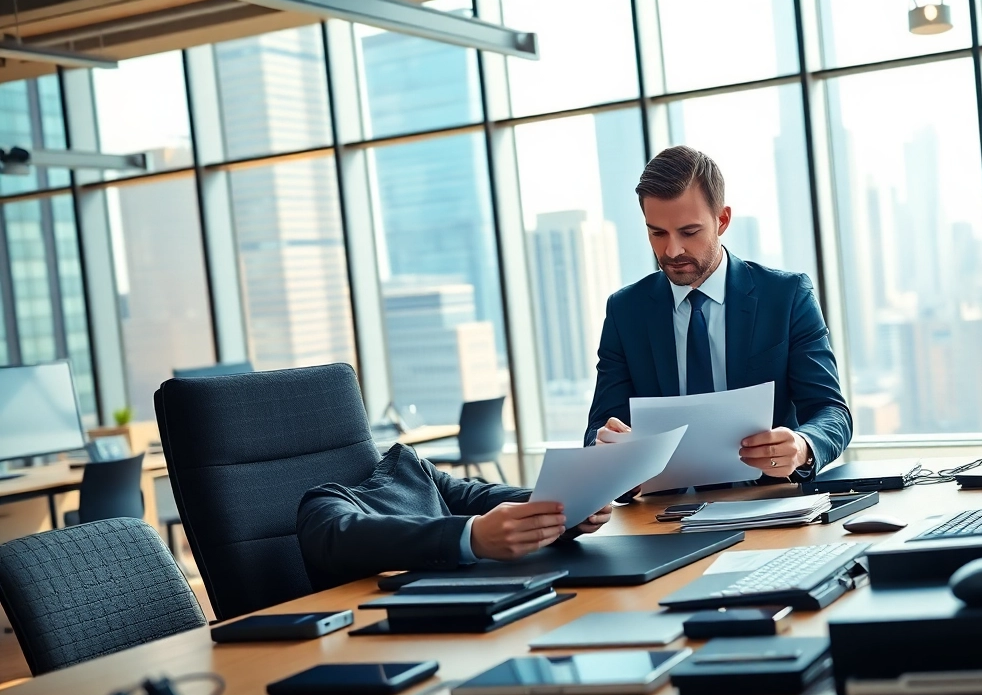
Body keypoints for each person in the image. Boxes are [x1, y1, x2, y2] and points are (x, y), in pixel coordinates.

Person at [585, 145, 852, 485]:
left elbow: (831, 411)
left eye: (689, 232)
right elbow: (599, 428)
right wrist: (607, 447)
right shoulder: (626, 311)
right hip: (663, 518)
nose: (672, 250)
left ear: (722, 220)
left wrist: (801, 445)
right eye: (657, 233)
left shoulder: (785, 297)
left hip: (768, 503)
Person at [297, 443, 610, 590]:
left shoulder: (411, 469)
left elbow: (476, 495)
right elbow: (340, 534)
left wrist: (567, 502)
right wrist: (472, 537)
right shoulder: (322, 503)